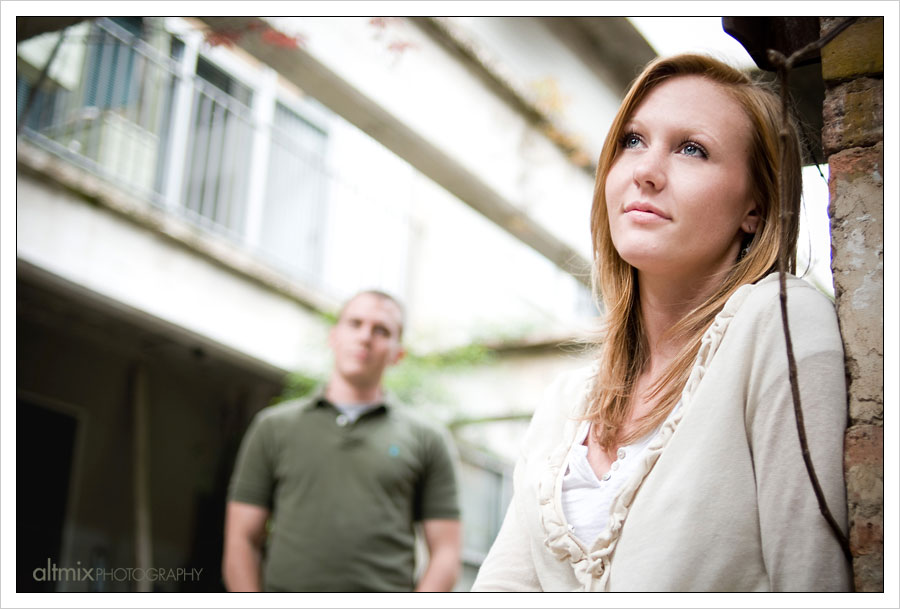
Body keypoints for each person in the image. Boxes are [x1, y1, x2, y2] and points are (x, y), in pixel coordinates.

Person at [471, 54, 852, 592]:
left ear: (756, 207)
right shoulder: (564, 406)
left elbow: (814, 581)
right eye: (632, 141)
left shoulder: (781, 324)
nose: (645, 171)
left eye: (692, 149)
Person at [223, 290, 461, 592]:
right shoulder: (273, 427)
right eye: (355, 323)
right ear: (333, 336)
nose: (365, 337)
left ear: (397, 353)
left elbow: (446, 554)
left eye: (381, 330)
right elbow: (241, 540)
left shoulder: (429, 439)